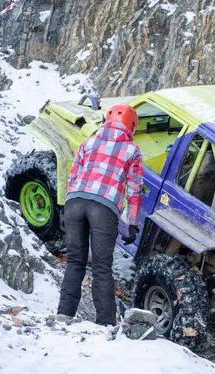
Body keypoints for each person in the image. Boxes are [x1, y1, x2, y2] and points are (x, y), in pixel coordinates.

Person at [57, 104, 143, 326]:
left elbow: (73, 176)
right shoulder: (132, 151)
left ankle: (64, 314)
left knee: (75, 260)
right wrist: (133, 224)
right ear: (131, 126)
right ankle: (105, 323)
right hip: (103, 207)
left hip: (75, 202)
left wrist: (70, 202)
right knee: (101, 267)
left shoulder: (89, 142)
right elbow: (134, 190)